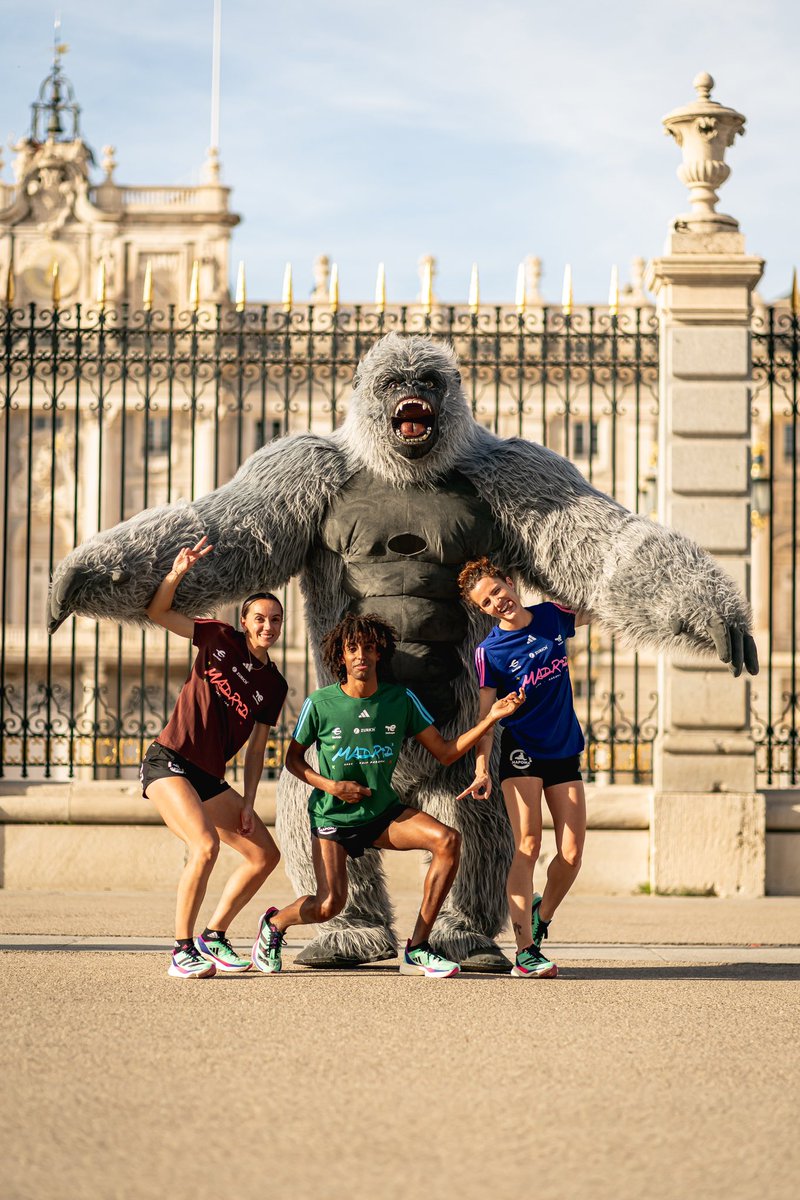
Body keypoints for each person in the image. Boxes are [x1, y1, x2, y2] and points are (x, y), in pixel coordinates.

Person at [251, 612, 524, 979]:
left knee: (447, 841)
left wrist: (489, 719)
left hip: (381, 814)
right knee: (329, 904)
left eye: (368, 647)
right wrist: (331, 786)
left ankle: (417, 948)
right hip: (334, 818)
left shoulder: (400, 699)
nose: (361, 654)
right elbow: (293, 760)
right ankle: (274, 924)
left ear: (380, 653)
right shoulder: (321, 704)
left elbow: (444, 752)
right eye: (352, 648)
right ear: (341, 657)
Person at [141, 536, 288, 978]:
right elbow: (158, 613)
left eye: (276, 620)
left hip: (208, 776)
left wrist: (247, 801)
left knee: (265, 855)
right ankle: (181, 950)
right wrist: (176, 574)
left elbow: (258, 748)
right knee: (204, 846)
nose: (268, 626)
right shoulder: (217, 636)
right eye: (260, 618)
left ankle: (214, 934)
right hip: (169, 761)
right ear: (244, 621)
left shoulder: (274, 685)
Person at [457, 557, 589, 979]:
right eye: (487, 602)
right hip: (522, 753)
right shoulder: (488, 652)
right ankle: (525, 952)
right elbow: (486, 717)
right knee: (528, 844)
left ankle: (541, 915)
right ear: (482, 611)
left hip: (563, 749)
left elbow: (605, 607)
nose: (498, 602)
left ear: (511, 583)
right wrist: (482, 768)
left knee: (570, 856)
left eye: (498, 591)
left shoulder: (553, 616)